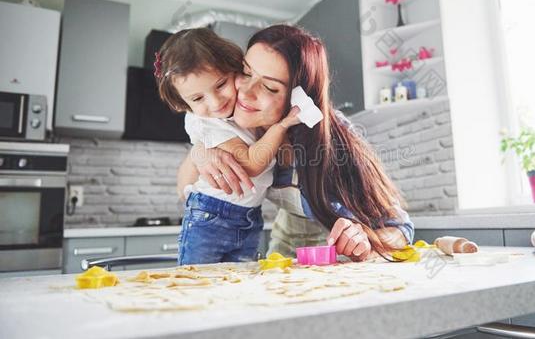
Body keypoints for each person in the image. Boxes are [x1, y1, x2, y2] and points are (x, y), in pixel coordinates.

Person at [177, 24, 414, 261]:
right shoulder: (231, 122)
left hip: (336, 262)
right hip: (284, 258)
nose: (246, 92)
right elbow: (184, 192)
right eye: (246, 72)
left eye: (269, 87)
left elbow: (401, 228)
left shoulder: (332, 139)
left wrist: (364, 237)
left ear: (297, 100)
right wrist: (202, 150)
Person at [154, 28, 300, 264]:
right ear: (183, 104)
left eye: (221, 84)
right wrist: (281, 127)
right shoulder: (207, 123)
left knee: (237, 289)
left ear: (236, 69)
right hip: (212, 214)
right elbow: (251, 164)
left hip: (248, 216)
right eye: (197, 99)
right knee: (198, 285)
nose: (215, 102)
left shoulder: (243, 112)